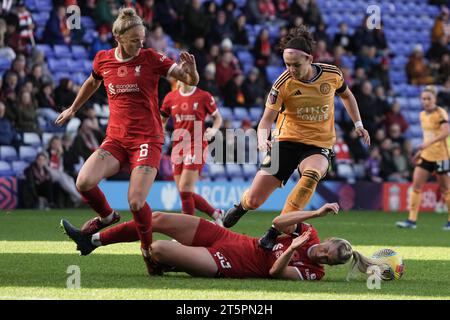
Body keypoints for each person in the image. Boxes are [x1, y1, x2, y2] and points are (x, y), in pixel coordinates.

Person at [54, 8, 200, 275]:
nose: (140, 44)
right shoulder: (103, 60)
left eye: (142, 39)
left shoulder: (151, 58)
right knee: (83, 182)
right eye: (135, 40)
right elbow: (92, 82)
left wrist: (192, 73)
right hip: (117, 139)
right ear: (118, 37)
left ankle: (148, 252)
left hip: (147, 139)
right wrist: (73, 109)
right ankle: (107, 217)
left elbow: (187, 78)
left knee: (135, 201)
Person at [222, 26, 370, 250]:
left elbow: (347, 96)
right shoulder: (282, 84)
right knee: (255, 200)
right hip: (286, 143)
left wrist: (358, 124)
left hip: (319, 145)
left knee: (311, 174)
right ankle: (241, 206)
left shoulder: (332, 74)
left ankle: (275, 230)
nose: (291, 69)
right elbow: (264, 121)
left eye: (296, 65)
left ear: (309, 58)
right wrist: (263, 140)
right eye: (287, 64)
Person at [61, 202, 391, 280]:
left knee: (158, 248)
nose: (320, 255)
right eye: (325, 250)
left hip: (227, 264)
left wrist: (291, 249)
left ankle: (162, 263)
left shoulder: (313, 273)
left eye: (326, 259)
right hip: (226, 237)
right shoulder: (312, 235)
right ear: (328, 240)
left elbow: (276, 273)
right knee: (158, 219)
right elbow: (278, 221)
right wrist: (316, 214)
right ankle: (94, 241)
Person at [160, 80, 224, 224]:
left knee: (184, 189)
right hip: (178, 146)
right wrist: (160, 133)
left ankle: (187, 231)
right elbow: (162, 120)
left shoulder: (203, 96)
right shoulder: (170, 98)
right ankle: (216, 214)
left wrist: (213, 130)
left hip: (197, 144)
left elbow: (218, 118)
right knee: (184, 193)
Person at [396, 86, 450, 231]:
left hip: (441, 156)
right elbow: (428, 136)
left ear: (435, 99)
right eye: (424, 99)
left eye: (429, 99)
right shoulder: (422, 115)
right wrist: (421, 152)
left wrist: (427, 144)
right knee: (416, 187)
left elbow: (446, 133)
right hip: (426, 155)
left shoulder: (440, 113)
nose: (426, 101)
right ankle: (411, 220)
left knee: (446, 190)